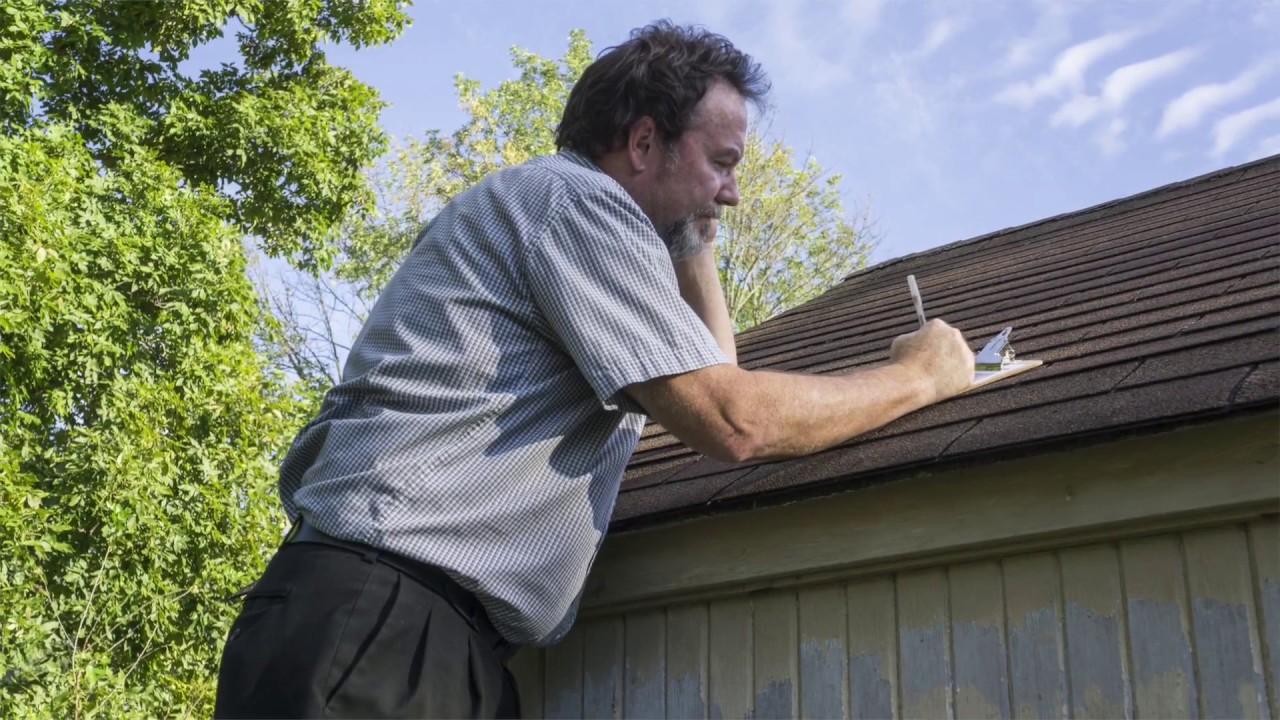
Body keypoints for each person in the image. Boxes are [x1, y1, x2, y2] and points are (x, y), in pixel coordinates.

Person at [213, 20, 974, 720]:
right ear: (644, 144)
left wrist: (693, 240)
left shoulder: (572, 222)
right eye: (721, 162)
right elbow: (734, 419)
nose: (733, 192)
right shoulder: (573, 203)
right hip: (380, 627)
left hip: (418, 636)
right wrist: (921, 377)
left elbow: (712, 374)